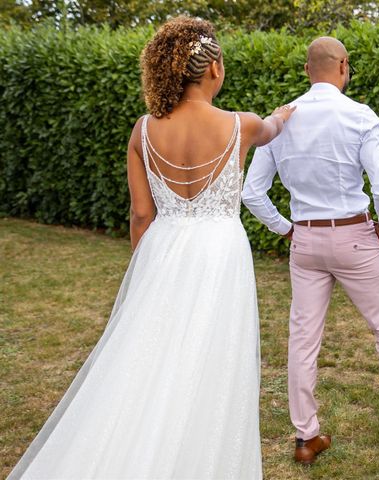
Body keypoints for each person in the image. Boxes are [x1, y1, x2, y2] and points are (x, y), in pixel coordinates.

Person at [8, 16, 294, 479]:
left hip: (162, 249)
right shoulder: (242, 125)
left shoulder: (143, 131)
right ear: (214, 68)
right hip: (219, 252)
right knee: (213, 358)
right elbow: (274, 128)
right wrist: (284, 114)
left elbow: (141, 215)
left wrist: (145, 268)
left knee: (147, 353)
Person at [242, 36, 379, 466]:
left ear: (308, 70)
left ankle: (305, 438)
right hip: (354, 237)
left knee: (303, 339)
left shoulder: (281, 119)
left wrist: (286, 229)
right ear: (343, 66)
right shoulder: (360, 116)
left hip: (306, 241)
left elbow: (252, 193)